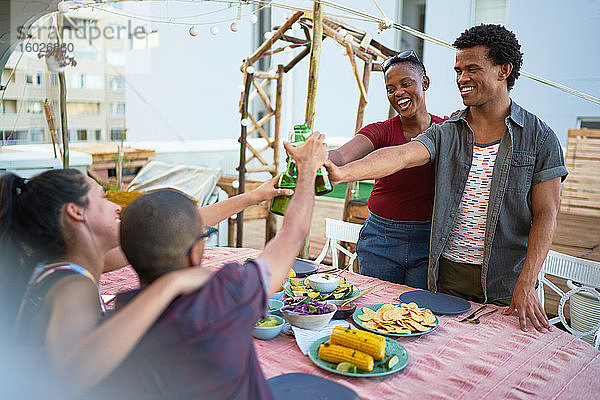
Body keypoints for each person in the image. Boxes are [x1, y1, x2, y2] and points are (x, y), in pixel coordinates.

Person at [326, 24, 567, 333]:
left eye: (472, 69)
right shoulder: (446, 132)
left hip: (504, 280)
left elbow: (547, 213)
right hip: (443, 276)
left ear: (503, 70)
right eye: (458, 70)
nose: (461, 78)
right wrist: (342, 172)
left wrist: (527, 280)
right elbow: (400, 156)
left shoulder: (539, 137)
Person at [0, 169, 292, 397]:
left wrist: (253, 197)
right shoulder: (71, 286)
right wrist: (170, 285)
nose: (115, 206)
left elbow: (169, 230)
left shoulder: (70, 264)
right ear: (76, 212)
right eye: (103, 197)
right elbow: (73, 372)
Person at [94, 132, 328, 399]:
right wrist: (308, 169)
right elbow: (293, 233)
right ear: (195, 253)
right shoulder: (225, 293)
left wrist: (253, 196)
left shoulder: (115, 327)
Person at [328, 50, 443, 288]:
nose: (398, 92)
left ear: (425, 83)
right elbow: (341, 155)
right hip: (381, 237)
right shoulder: (381, 130)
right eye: (390, 89)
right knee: (374, 309)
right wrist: (314, 156)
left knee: (415, 316)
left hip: (429, 239)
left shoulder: (446, 130)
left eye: (406, 83)